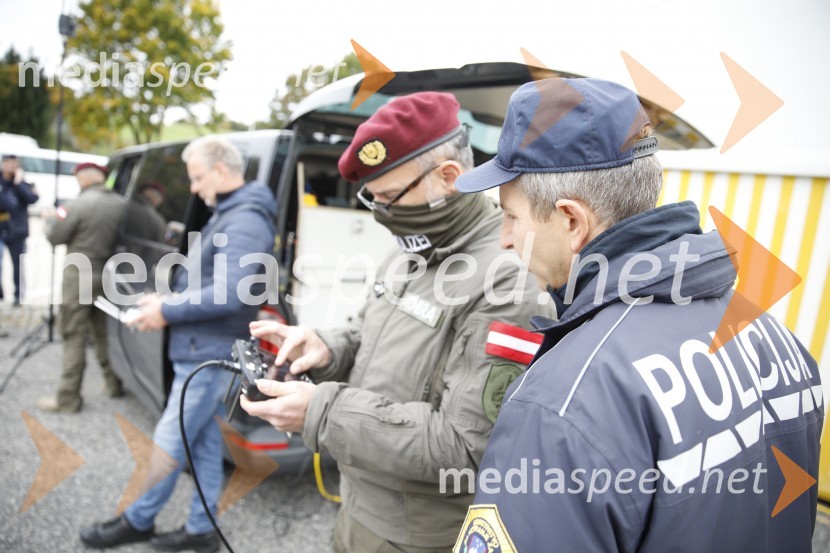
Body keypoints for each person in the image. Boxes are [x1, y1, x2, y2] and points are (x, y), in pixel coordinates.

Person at [451, 77, 823, 552]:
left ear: (571, 221)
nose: (504, 238)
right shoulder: (777, 338)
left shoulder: (562, 403)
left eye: (512, 216)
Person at [240, 92, 548, 553]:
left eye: (389, 197)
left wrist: (320, 410)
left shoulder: (507, 279)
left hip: (417, 535)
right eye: (373, 197)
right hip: (358, 503)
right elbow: (369, 332)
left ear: (448, 177)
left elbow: (465, 448)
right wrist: (325, 346)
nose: (380, 213)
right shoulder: (412, 249)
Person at [79, 135, 277, 553]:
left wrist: (167, 312)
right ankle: (202, 531)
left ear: (221, 171)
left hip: (209, 354)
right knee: (200, 443)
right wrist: (167, 300)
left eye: (197, 177)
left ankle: (138, 520)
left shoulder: (245, 218)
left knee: (169, 444)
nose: (193, 187)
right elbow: (213, 283)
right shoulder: (231, 212)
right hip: (199, 351)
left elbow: (231, 291)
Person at [36, 162, 125, 412]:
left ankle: (68, 398)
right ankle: (113, 383)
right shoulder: (121, 204)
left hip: (78, 278)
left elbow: (56, 237)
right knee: (102, 334)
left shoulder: (76, 204)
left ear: (83, 180)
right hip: (108, 277)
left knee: (73, 334)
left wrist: (49, 220)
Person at [0, 153, 39, 305]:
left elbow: (33, 199)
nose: (10, 167)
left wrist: (19, 183)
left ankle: (19, 295)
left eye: (14, 164)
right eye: (8, 163)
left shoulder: (23, 182)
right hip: (1, 228)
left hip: (17, 230)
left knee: (18, 265)